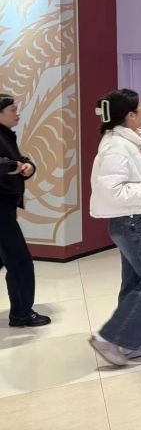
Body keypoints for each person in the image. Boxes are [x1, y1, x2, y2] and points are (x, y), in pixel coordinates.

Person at [89, 89, 141, 366]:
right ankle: (109, 338)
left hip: (132, 221)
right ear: (130, 116)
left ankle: (132, 342)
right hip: (130, 223)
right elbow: (112, 191)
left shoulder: (124, 142)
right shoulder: (117, 147)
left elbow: (127, 182)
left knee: (135, 282)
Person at [0, 95, 50, 328]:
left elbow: (17, 160)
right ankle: (21, 314)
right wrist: (15, 166)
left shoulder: (6, 135)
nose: (17, 113)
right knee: (20, 261)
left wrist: (28, 165)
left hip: (6, 205)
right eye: (13, 109)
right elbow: (7, 164)